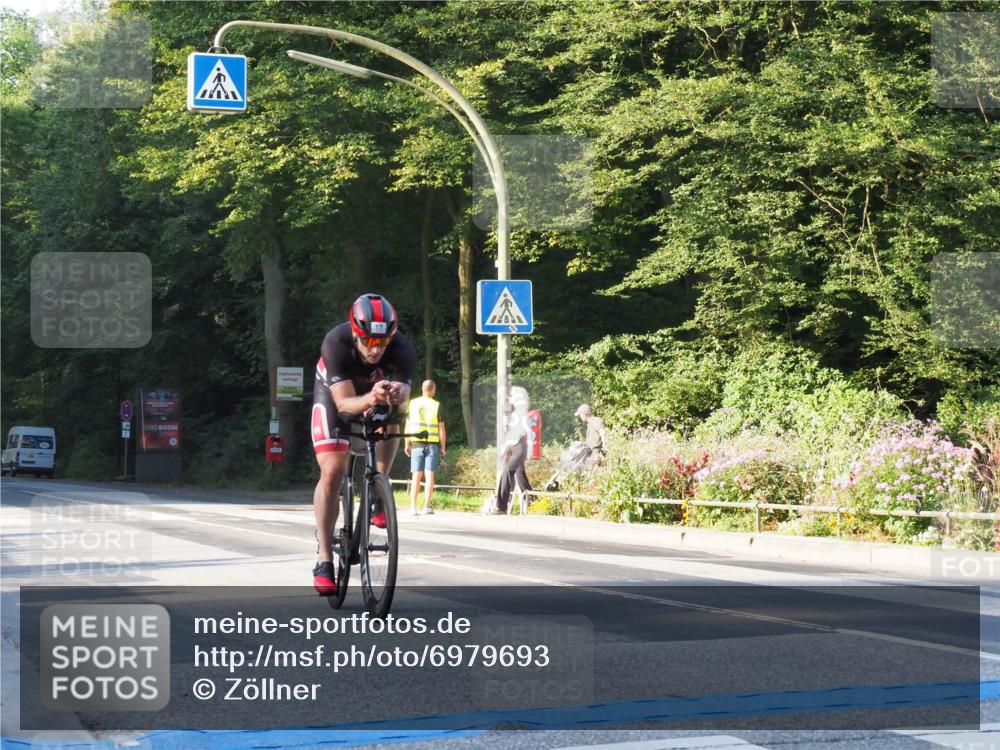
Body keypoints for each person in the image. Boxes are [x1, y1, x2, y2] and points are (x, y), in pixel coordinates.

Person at [310, 293, 416, 596]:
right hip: (335, 394)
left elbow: (405, 394)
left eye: (382, 344)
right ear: (356, 335)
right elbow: (343, 405)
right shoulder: (335, 343)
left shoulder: (403, 349)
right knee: (332, 469)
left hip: (373, 392)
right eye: (368, 342)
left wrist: (396, 393)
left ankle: (377, 492)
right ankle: (324, 559)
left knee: (393, 415)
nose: (375, 349)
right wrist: (369, 397)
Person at [404, 380, 447, 515]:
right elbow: (441, 429)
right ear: (433, 390)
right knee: (430, 475)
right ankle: (427, 506)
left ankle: (413, 507)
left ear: (422, 389)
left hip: (416, 443)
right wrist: (443, 447)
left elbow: (407, 425)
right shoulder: (436, 405)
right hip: (433, 444)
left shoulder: (412, 404)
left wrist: (407, 443)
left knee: (416, 475)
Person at [495, 386, 532, 514]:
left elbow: (516, 435)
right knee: (520, 475)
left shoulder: (520, 413)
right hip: (518, 446)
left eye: (512, 396)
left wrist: (505, 448)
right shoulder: (520, 412)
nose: (511, 398)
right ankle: (534, 502)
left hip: (519, 446)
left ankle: (501, 506)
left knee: (507, 471)